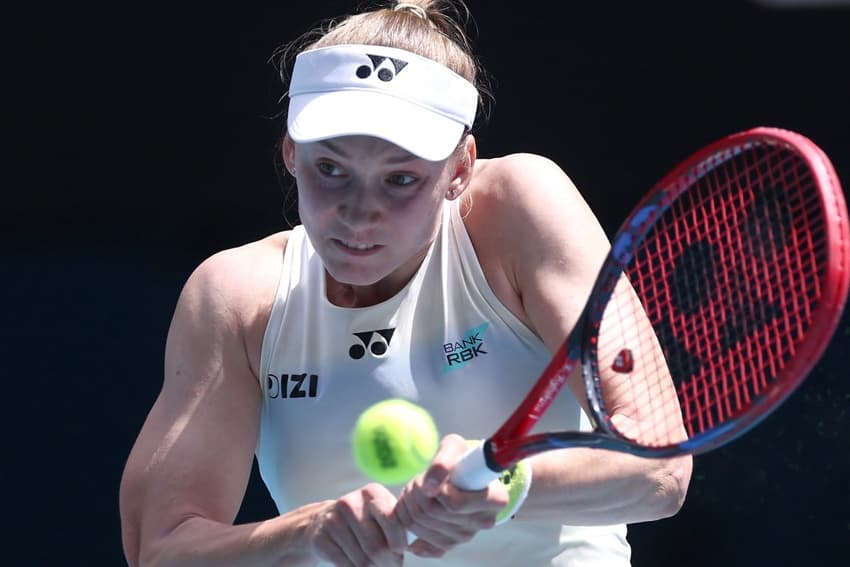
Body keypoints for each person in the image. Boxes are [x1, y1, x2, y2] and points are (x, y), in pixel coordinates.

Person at [119, 1, 693, 565]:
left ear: (460, 169)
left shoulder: (518, 209)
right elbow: (163, 550)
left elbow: (661, 468)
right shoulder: (236, 296)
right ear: (291, 152)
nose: (359, 213)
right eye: (331, 169)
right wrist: (302, 533)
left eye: (400, 179)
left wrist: (508, 481)